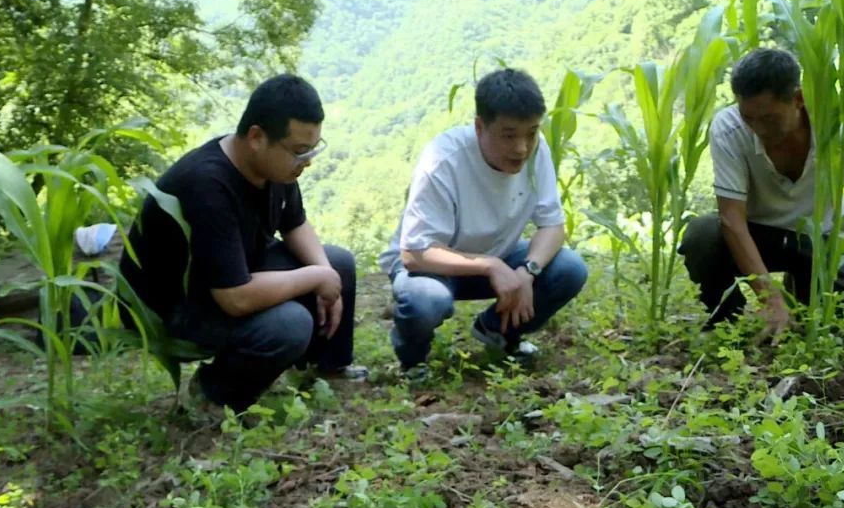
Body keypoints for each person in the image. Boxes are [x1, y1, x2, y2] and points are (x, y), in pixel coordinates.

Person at [120, 74, 366, 413]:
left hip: (231, 275)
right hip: (176, 306)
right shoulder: (207, 186)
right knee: (290, 324)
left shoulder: (274, 168)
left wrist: (326, 274)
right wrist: (315, 279)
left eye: (312, 150)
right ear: (256, 137)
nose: (306, 162)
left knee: (337, 263)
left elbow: (294, 222)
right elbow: (234, 298)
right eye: (298, 152)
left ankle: (324, 368)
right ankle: (209, 396)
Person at [378, 68, 589, 377]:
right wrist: (491, 265)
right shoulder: (443, 160)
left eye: (531, 133)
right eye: (509, 135)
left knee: (569, 268)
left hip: (498, 258)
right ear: (480, 127)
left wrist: (526, 272)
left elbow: (553, 226)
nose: (521, 147)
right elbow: (414, 253)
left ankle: (497, 331)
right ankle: (412, 359)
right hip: (431, 267)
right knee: (426, 300)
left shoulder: (537, 150)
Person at [680, 48, 844, 342]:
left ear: (798, 99)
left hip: (819, 242)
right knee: (702, 235)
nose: (757, 129)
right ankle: (727, 324)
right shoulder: (729, 128)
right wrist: (770, 299)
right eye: (748, 118)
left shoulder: (842, 121)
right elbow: (732, 218)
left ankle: (802, 287)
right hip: (760, 238)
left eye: (768, 119)